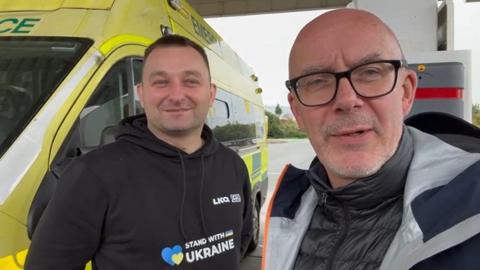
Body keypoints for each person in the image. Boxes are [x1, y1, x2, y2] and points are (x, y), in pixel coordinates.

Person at [262, 8, 480, 270]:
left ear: (405, 92)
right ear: (296, 110)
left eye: (370, 73)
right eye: (317, 81)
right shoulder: (285, 213)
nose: (346, 100)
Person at [25, 34, 253, 270]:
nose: (176, 95)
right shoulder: (92, 175)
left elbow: (240, 242)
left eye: (191, 81)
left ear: (211, 93)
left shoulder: (233, 166)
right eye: (161, 82)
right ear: (141, 93)